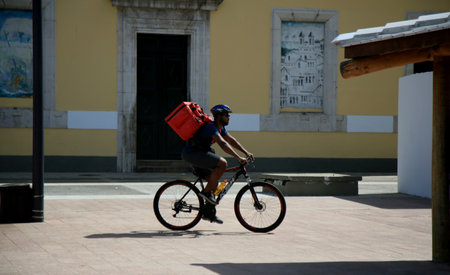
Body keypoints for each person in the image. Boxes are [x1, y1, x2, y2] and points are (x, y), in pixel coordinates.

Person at [182, 104, 254, 224]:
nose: (229, 117)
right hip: (192, 153)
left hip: (201, 153)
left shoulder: (220, 128)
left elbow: (231, 140)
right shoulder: (211, 127)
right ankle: (205, 193)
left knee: (214, 185)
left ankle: (208, 213)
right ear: (219, 116)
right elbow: (223, 144)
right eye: (226, 115)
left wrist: (246, 152)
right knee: (222, 163)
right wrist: (238, 157)